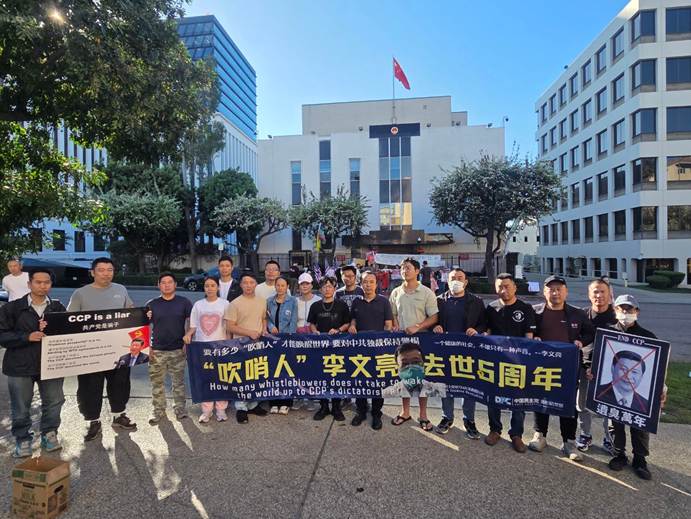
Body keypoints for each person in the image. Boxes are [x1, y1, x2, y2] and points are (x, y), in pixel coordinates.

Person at [67, 257, 137, 441]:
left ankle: (118, 415)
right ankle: (93, 421)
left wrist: (141, 315)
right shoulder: (80, 294)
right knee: (90, 386)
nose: (106, 273)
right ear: (92, 272)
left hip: (118, 348)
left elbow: (130, 311)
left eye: (110, 270)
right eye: (101, 270)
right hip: (91, 350)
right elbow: (69, 320)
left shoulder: (120, 289)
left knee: (120, 383)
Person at [0, 268, 66, 457]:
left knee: (54, 402)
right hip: (20, 366)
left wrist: (52, 328)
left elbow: (69, 333)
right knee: (21, 406)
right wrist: (27, 336)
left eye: (47, 282)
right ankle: (23, 439)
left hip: (51, 365)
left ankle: (49, 434)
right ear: (29, 284)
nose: (43, 286)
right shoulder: (11, 308)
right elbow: (2, 336)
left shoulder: (57, 308)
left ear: (51, 285)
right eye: (38, 282)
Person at [528, 275, 594, 462]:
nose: (555, 293)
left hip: (568, 367)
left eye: (559, 289)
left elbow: (590, 332)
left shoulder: (577, 313)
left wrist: (581, 341)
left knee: (568, 403)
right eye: (551, 289)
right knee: (540, 399)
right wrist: (533, 337)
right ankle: (540, 435)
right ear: (544, 292)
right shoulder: (535, 311)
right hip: (541, 365)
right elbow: (528, 330)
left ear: (566, 292)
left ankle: (569, 442)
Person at [603, 294, 667, 480]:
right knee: (615, 422)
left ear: (637, 312)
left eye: (629, 309)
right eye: (621, 308)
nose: (625, 312)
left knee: (639, 424)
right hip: (613, 391)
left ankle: (640, 459)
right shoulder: (607, 333)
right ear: (615, 310)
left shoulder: (648, 337)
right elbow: (599, 359)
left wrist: (662, 388)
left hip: (638, 392)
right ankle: (619, 454)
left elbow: (658, 366)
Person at [484, 273, 537, 453]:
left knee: (518, 399)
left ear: (514, 287)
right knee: (493, 396)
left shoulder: (525, 308)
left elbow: (529, 337)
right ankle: (494, 429)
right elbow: (488, 332)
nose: (503, 290)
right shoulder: (491, 308)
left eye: (507, 286)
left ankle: (516, 434)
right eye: (500, 286)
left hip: (518, 362)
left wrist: (525, 358)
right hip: (496, 360)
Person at [432, 267, 486, 439]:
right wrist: (435, 326)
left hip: (468, 352)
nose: (456, 281)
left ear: (466, 282)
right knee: (446, 385)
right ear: (447, 281)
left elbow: (484, 323)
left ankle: (469, 420)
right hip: (445, 351)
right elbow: (432, 320)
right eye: (453, 278)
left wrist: (477, 330)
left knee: (468, 385)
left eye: (460, 278)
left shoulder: (476, 301)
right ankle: (447, 417)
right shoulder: (439, 301)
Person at [389, 257, 439, 431]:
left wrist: (418, 327)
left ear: (417, 271)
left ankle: (423, 415)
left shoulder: (426, 292)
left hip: (421, 341)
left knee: (422, 378)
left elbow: (434, 317)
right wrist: (396, 325)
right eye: (403, 268)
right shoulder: (396, 292)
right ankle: (405, 412)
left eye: (408, 268)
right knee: (404, 377)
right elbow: (393, 314)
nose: (405, 271)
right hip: (402, 343)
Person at [145, 272, 193, 425]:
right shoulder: (152, 304)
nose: (167, 285)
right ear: (158, 285)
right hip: (157, 350)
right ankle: (158, 410)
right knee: (157, 383)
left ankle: (180, 409)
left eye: (170, 282)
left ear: (175, 285)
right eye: (163, 282)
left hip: (178, 349)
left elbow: (191, 322)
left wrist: (187, 341)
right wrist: (147, 347)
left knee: (178, 382)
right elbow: (144, 326)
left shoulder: (184, 302)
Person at [348, 270, 393, 430]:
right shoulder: (356, 302)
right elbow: (353, 320)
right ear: (361, 284)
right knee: (360, 380)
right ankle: (360, 411)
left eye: (371, 282)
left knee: (377, 382)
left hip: (378, 350)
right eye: (365, 282)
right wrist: (352, 326)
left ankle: (376, 413)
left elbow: (388, 324)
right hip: (359, 349)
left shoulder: (383, 302)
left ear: (376, 284)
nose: (368, 285)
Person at [577, 278, 617, 453]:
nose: (599, 295)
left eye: (603, 292)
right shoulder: (582, 315)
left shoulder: (617, 317)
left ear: (609, 295)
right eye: (595, 292)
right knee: (582, 404)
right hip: (585, 368)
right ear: (589, 295)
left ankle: (610, 438)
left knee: (610, 406)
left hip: (612, 371)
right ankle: (585, 434)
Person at [184, 276, 230, 423]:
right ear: (204, 288)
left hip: (220, 347)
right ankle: (207, 410)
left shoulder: (225, 304)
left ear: (218, 287)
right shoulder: (198, 305)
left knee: (221, 378)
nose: (210, 288)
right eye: (207, 286)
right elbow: (193, 326)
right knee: (205, 379)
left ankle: (221, 409)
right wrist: (188, 335)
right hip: (202, 348)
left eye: (212, 285)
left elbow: (228, 327)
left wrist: (229, 344)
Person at [225, 273, 269, 424]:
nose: (248, 285)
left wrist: (264, 329)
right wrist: (249, 333)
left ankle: (253, 404)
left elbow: (263, 318)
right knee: (242, 377)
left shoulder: (262, 301)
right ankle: (241, 408)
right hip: (241, 345)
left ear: (256, 284)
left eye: (251, 282)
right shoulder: (234, 303)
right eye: (245, 282)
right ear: (241, 285)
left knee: (256, 375)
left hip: (258, 345)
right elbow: (230, 326)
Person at [308, 276, 351, 421]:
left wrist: (338, 330)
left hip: (338, 346)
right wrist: (315, 331)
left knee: (336, 375)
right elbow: (311, 323)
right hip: (320, 346)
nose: (327, 289)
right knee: (321, 376)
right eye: (324, 287)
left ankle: (336, 407)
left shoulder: (341, 305)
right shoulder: (315, 306)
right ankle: (324, 406)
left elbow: (347, 323)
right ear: (320, 289)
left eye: (330, 286)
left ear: (334, 288)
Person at [266, 276, 298, 414]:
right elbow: (266, 318)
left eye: (283, 285)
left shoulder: (293, 301)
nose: (280, 288)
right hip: (272, 340)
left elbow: (293, 322)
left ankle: (286, 402)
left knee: (286, 371)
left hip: (286, 341)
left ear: (287, 287)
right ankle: (274, 402)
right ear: (275, 286)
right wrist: (271, 326)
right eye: (278, 285)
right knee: (273, 371)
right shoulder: (269, 301)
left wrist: (287, 338)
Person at [381, 342, 447, 399]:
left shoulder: (441, 389)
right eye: (405, 363)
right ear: (397, 367)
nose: (411, 368)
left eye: (416, 362)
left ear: (424, 364)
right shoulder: (386, 394)